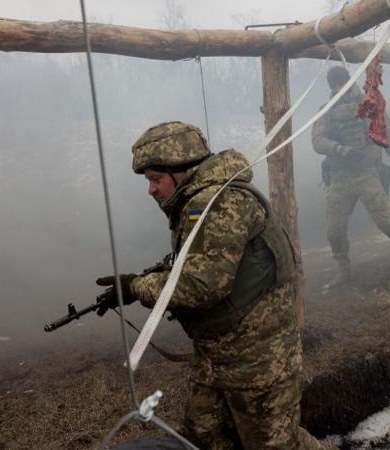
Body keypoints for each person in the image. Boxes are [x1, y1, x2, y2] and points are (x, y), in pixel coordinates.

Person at [96, 121, 334, 450]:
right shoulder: (200, 201)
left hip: (258, 360)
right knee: (202, 436)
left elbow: (200, 287)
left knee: (275, 445)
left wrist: (136, 287)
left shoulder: (221, 203)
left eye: (155, 179)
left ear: (182, 170)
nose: (151, 190)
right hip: (219, 355)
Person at [311, 66, 390, 287]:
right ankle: (343, 270)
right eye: (334, 86)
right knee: (334, 230)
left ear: (348, 82)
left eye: (341, 83)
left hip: (367, 173)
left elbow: (389, 134)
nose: (339, 89)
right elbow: (317, 142)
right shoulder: (326, 110)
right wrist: (340, 149)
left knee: (388, 223)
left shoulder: (370, 105)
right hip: (340, 176)